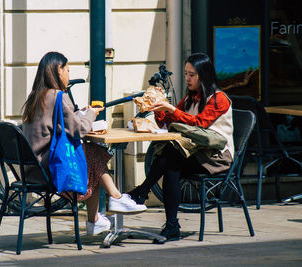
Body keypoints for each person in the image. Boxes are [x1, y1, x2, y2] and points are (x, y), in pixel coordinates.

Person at [22, 51, 147, 236]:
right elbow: (79, 131)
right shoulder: (57, 96)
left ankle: (96, 220)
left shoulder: (35, 96)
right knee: (91, 153)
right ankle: (115, 198)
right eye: (68, 70)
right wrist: (91, 114)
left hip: (32, 169)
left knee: (89, 158)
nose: (68, 75)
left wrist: (80, 114)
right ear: (59, 69)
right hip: (51, 170)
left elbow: (60, 124)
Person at [128, 53, 234, 242]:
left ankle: (142, 192)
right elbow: (169, 122)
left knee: (170, 158)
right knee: (171, 165)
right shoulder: (189, 99)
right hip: (196, 154)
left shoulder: (219, 99)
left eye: (191, 75)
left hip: (217, 158)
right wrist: (158, 108)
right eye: (186, 74)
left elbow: (198, 123)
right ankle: (170, 225)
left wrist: (171, 110)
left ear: (203, 75)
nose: (187, 78)